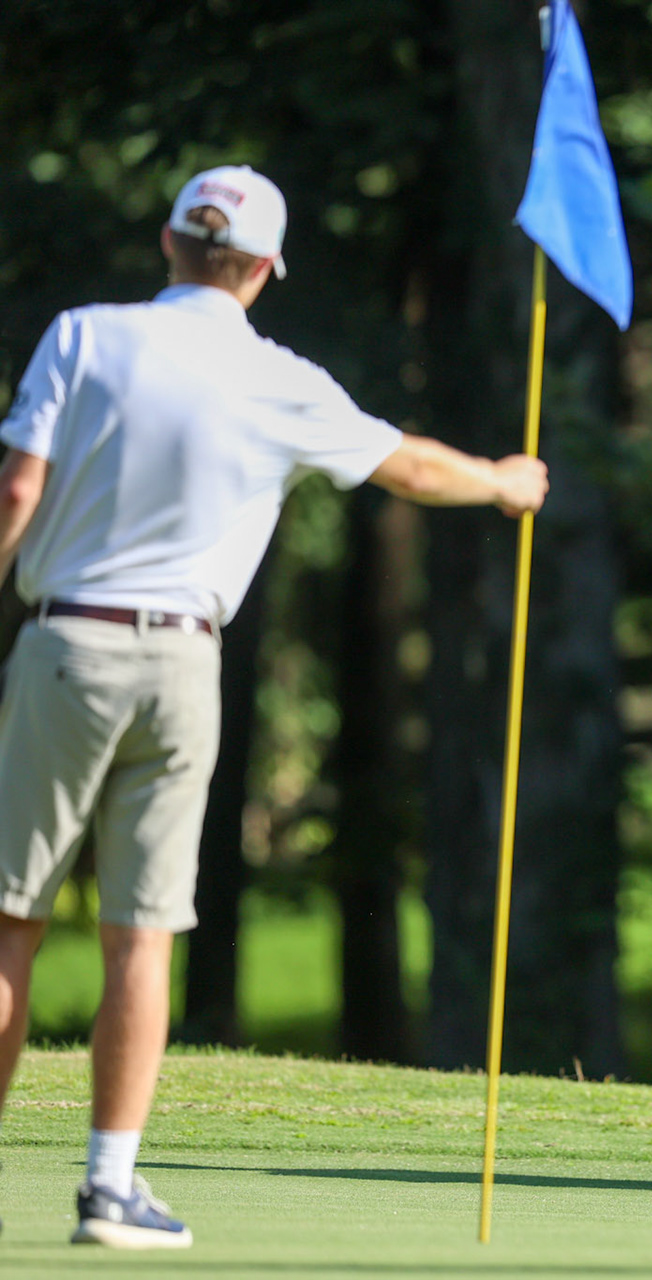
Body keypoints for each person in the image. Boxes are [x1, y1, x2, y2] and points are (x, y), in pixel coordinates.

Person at [0, 165, 549, 1249]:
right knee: (141, 933)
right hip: (184, 667)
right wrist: (503, 481)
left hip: (67, 642)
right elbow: (412, 466)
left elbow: (17, 490)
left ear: (169, 243)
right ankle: (111, 1185)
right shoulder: (280, 379)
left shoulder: (82, 336)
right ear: (263, 269)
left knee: (11, 915)